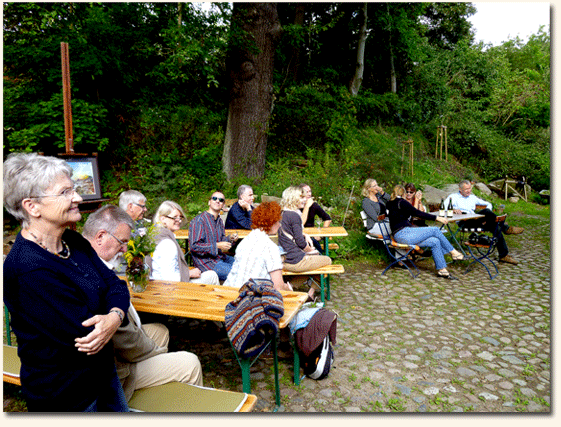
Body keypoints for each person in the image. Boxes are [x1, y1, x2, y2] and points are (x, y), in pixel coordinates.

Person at [3, 153, 130, 412]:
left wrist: (113, 316)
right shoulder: (28, 268)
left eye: (75, 190)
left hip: (104, 377)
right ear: (32, 206)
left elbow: (115, 284)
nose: (79, 198)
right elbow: (85, 333)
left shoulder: (75, 242)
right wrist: (111, 311)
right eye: (65, 192)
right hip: (67, 396)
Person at [82, 205, 203, 402]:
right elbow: (125, 341)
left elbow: (118, 288)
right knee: (190, 362)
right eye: (122, 242)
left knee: (160, 330)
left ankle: (158, 395)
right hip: (114, 369)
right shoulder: (92, 277)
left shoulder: (89, 260)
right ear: (100, 236)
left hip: (117, 349)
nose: (124, 249)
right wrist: (154, 350)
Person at [386, 185, 464, 279]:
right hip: (404, 234)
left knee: (434, 241)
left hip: (402, 235)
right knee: (435, 230)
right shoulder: (402, 202)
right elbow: (417, 213)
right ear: (403, 193)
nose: (408, 194)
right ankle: (453, 252)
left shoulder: (390, 202)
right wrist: (437, 218)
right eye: (407, 192)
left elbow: (405, 214)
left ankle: (442, 270)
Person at [444, 180, 523, 265]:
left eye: (470, 188)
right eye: (466, 189)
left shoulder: (472, 197)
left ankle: (503, 255)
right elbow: (444, 207)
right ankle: (506, 228)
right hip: (464, 222)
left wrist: (487, 217)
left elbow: (488, 204)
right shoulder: (453, 197)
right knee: (486, 212)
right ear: (460, 189)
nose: (469, 190)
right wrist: (452, 210)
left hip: (475, 219)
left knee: (495, 226)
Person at [224, 201, 293, 292]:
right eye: (278, 221)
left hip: (230, 290)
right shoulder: (270, 247)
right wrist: (288, 288)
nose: (280, 225)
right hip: (250, 297)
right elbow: (278, 287)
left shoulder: (244, 241)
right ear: (271, 222)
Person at [278, 186, 332, 298]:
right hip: (296, 261)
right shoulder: (295, 216)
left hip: (284, 259)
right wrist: (309, 250)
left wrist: (304, 234)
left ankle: (292, 286)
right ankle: (310, 292)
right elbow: (300, 242)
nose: (304, 199)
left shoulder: (283, 213)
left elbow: (290, 233)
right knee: (326, 259)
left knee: (316, 261)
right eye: (301, 197)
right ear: (293, 198)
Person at [150, 200, 219, 285]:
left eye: (180, 217)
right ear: (163, 219)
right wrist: (189, 273)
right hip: (170, 289)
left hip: (156, 283)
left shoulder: (155, 235)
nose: (179, 220)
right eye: (175, 217)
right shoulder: (167, 244)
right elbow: (168, 278)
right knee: (212, 276)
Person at [189, 191, 238, 281]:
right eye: (214, 198)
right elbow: (194, 246)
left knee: (244, 265)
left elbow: (222, 240)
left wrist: (230, 239)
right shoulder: (199, 220)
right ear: (209, 202)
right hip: (206, 262)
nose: (217, 201)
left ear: (223, 205)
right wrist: (217, 246)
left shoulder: (219, 221)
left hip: (220, 257)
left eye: (221, 200)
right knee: (237, 274)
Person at [299, 183, 332, 253]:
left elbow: (327, 218)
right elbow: (300, 224)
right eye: (306, 192)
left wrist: (321, 234)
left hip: (311, 235)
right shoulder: (296, 205)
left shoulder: (313, 205)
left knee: (316, 247)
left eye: (310, 191)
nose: (309, 194)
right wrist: (306, 207)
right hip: (299, 234)